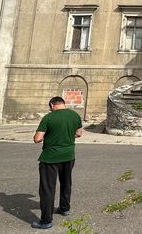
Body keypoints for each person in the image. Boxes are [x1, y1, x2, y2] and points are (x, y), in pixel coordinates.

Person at [31, 96, 83, 230]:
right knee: (66, 182)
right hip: (69, 155)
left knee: (48, 188)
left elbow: (37, 139)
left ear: (52, 105)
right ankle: (65, 208)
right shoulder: (75, 115)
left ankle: (46, 221)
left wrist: (48, 136)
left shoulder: (49, 117)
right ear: (63, 104)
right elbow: (79, 133)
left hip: (50, 157)